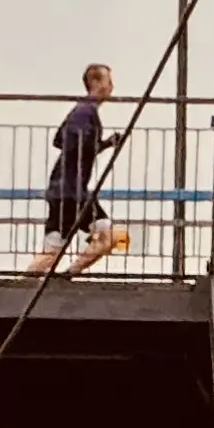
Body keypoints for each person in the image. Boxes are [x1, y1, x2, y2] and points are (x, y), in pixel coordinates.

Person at [25, 65, 131, 278]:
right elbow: (69, 141)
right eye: (108, 81)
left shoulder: (83, 110)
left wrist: (105, 144)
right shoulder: (85, 111)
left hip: (62, 190)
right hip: (73, 192)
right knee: (114, 237)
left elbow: (66, 141)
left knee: (51, 252)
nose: (111, 87)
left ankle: (22, 284)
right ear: (95, 83)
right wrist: (92, 144)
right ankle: (69, 273)